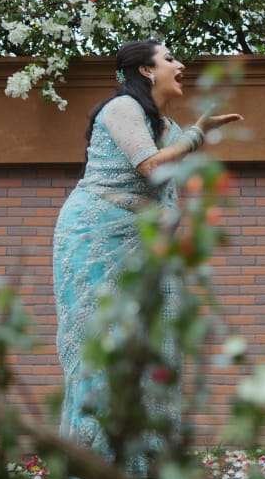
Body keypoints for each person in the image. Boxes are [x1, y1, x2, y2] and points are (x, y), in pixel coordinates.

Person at [54, 38, 241, 455]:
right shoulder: (122, 108)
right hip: (95, 235)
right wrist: (197, 135)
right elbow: (150, 164)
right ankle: (95, 457)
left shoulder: (166, 126)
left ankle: (144, 457)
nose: (180, 65)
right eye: (169, 58)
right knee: (103, 341)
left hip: (143, 243)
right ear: (146, 70)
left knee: (154, 339)